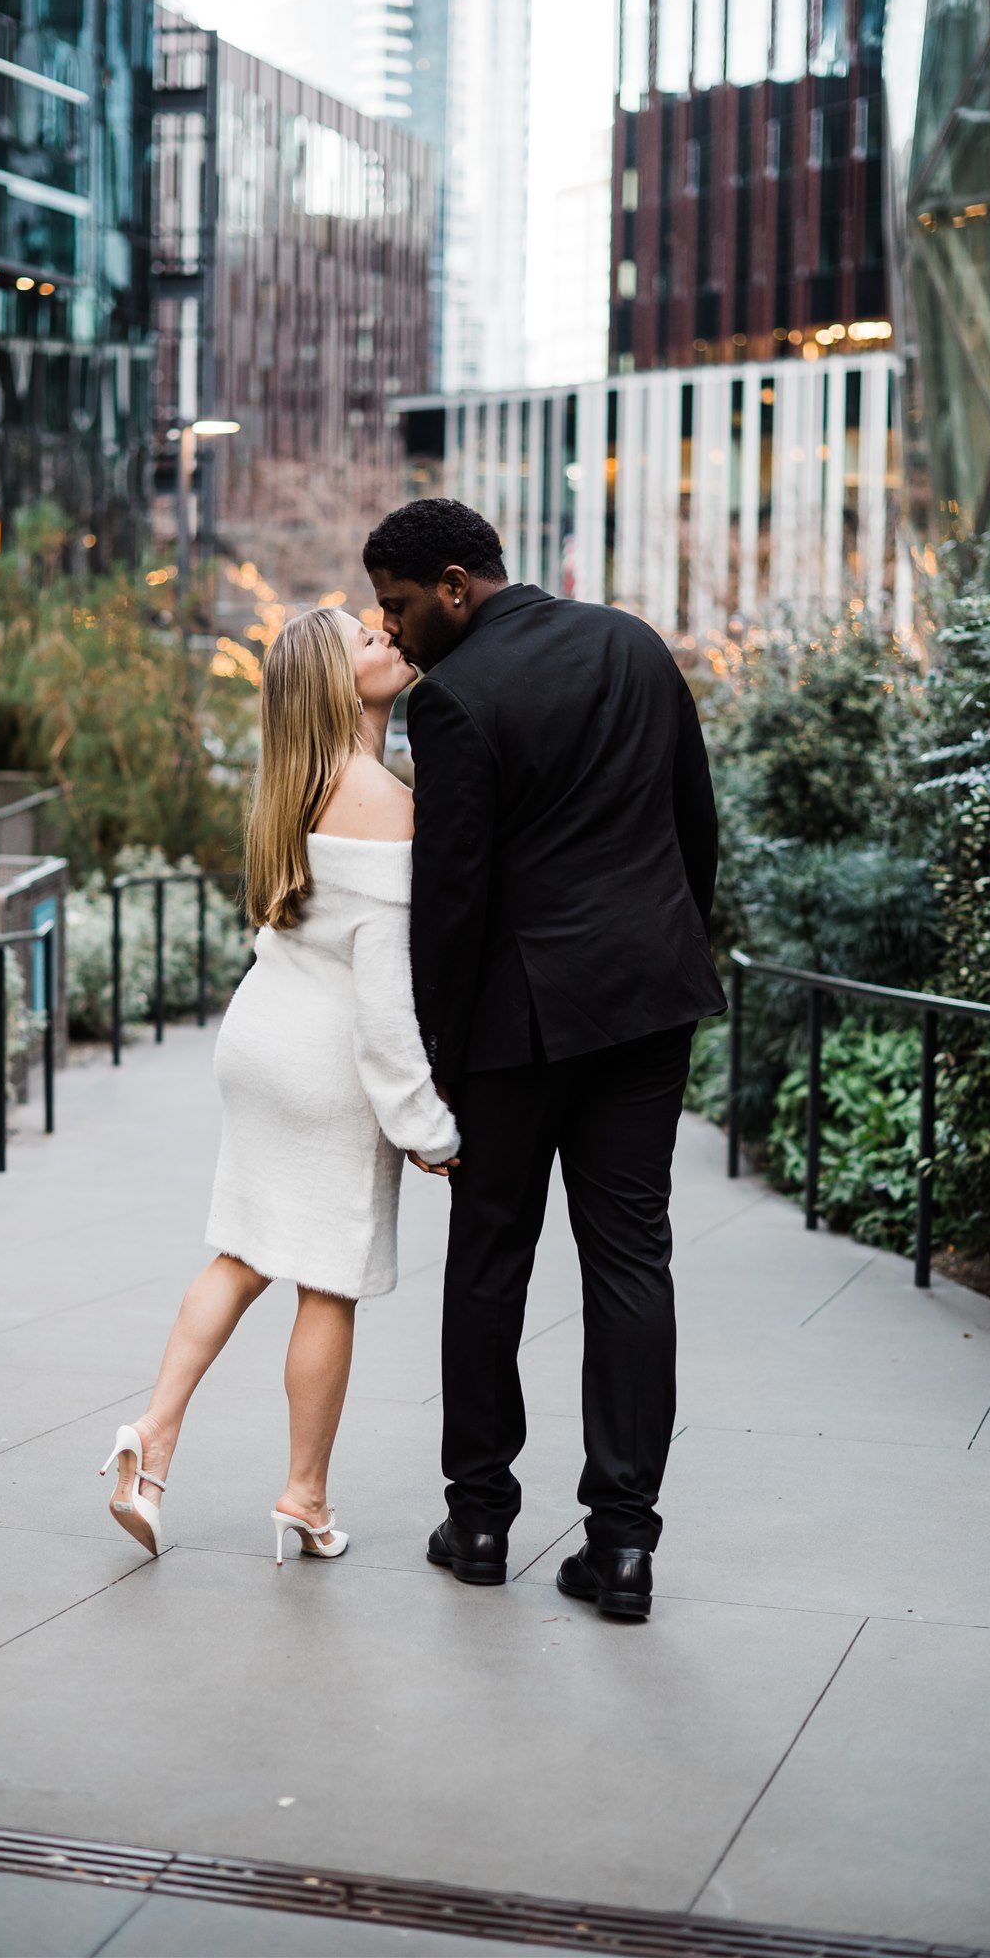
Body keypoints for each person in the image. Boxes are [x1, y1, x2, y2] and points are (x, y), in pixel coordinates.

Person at [363, 498, 723, 1620]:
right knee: (630, 1265)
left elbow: (452, 905)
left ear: (457, 583)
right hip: (644, 1011)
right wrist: (661, 956)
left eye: (400, 604)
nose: (396, 629)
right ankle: (621, 1546)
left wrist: (434, 1062)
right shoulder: (632, 644)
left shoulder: (453, 701)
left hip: (516, 1027)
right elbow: (692, 824)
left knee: (488, 1266)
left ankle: (478, 1521)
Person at [99, 608, 458, 1565]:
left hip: (261, 1039)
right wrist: (429, 1127)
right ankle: (303, 1498)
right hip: (326, 1065)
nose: (387, 637)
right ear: (338, 687)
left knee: (241, 1255)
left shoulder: (289, 790)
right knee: (327, 1286)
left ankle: (152, 1437)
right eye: (365, 642)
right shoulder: (382, 798)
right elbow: (384, 1008)